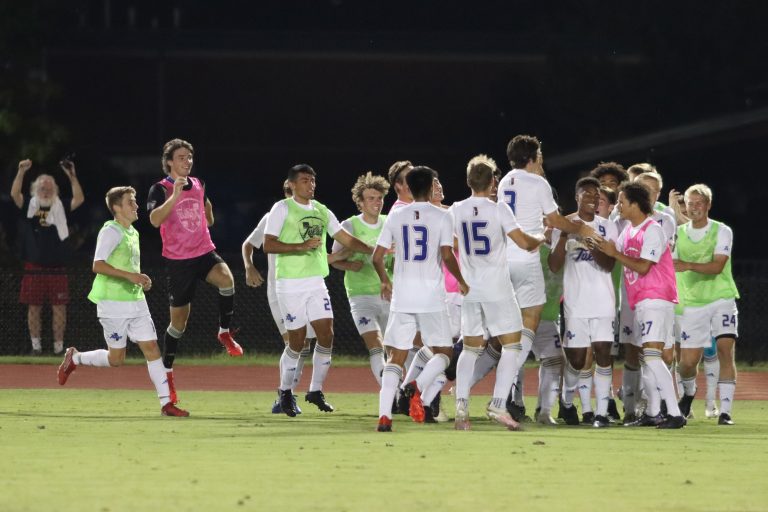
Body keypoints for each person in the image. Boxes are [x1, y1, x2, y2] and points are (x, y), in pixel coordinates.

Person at [57, 186, 188, 417]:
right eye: (131, 202)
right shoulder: (111, 230)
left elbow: (128, 268)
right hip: (112, 304)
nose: (136, 205)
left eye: (135, 201)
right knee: (116, 359)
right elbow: (98, 265)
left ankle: (166, 404)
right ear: (117, 208)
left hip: (136, 301)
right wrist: (131, 276)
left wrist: (140, 279)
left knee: (152, 349)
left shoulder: (133, 232)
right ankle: (75, 357)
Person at [264, 164, 374, 417]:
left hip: (316, 282)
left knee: (327, 334)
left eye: (313, 180)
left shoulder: (322, 210)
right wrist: (299, 246)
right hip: (290, 284)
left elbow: (345, 238)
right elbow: (268, 245)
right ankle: (285, 393)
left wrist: (373, 249)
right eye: (304, 180)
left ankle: (315, 390)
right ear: (292, 184)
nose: (310, 185)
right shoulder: (282, 208)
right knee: (297, 342)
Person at [497, 135, 600, 393]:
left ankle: (506, 390)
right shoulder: (537, 182)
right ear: (534, 157)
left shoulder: (504, 182)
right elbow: (555, 220)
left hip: (504, 259)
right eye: (540, 155)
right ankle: (503, 389)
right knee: (532, 316)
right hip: (527, 256)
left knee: (512, 329)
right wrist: (581, 228)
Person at [147, 138, 243, 406]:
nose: (187, 161)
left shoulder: (199, 183)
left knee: (227, 280)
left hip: (204, 252)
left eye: (189, 157)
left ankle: (224, 332)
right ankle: (167, 372)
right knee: (178, 325)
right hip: (179, 262)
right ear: (169, 162)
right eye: (181, 158)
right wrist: (176, 195)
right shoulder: (160, 188)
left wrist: (208, 217)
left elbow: (206, 207)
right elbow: (154, 220)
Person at [372, 166, 468, 432]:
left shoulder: (396, 216)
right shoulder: (442, 216)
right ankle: (416, 385)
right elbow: (448, 256)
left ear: (411, 188)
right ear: (429, 187)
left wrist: (384, 280)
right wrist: (461, 280)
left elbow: (377, 257)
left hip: (402, 296)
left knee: (396, 357)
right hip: (431, 297)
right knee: (445, 353)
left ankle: (384, 416)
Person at [450, 155, 543, 430]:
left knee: (470, 347)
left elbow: (449, 244)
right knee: (513, 344)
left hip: (470, 288)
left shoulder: (455, 209)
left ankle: (461, 406)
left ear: (468, 181)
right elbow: (524, 243)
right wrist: (541, 236)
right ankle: (498, 403)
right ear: (493, 183)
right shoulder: (500, 209)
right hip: (498, 288)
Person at [594, 182, 686, 429]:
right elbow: (614, 252)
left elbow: (644, 266)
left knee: (653, 357)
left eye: (623, 201)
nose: (619, 205)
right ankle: (654, 412)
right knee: (651, 357)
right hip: (642, 301)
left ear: (635, 203)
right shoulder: (628, 231)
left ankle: (675, 414)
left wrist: (613, 253)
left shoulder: (653, 230)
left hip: (656, 298)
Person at [548, 177, 618, 428]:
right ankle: (567, 402)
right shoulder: (564, 225)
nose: (593, 198)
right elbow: (554, 266)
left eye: (596, 195)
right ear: (577, 197)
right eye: (587, 194)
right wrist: (567, 235)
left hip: (603, 302)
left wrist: (593, 244)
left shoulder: (607, 227)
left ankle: (599, 413)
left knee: (603, 355)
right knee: (577, 360)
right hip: (576, 304)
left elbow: (609, 264)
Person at [243, 180, 314, 415]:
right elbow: (248, 245)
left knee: (304, 345)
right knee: (294, 342)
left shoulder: (311, 217)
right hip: (280, 290)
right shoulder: (272, 217)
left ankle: (287, 394)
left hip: (306, 287)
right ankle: (285, 396)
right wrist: (249, 267)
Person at [673, 184, 739, 425]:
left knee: (724, 349)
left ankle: (726, 412)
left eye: (699, 203)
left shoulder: (722, 231)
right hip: (692, 303)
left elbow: (717, 266)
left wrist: (687, 265)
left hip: (721, 297)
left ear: (708, 205)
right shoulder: (678, 234)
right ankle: (689, 393)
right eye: (690, 203)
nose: (694, 208)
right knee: (687, 363)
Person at [10, 157, 84, 355]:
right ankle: (36, 347)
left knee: (59, 307)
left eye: (50, 187)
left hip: (57, 266)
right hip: (33, 265)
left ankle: (59, 348)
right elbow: (15, 194)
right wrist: (21, 172)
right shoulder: (29, 205)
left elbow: (79, 199)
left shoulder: (61, 206)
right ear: (36, 189)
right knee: (33, 307)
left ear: (55, 190)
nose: (46, 190)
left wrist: (71, 175)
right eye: (43, 187)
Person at [330, 172, 392, 386]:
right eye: (371, 198)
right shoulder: (349, 226)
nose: (377, 203)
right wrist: (348, 264)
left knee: (395, 348)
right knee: (375, 344)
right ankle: (388, 392)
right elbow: (333, 259)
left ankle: (400, 390)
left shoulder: (390, 222)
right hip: (361, 295)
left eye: (379, 198)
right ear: (360, 202)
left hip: (390, 295)